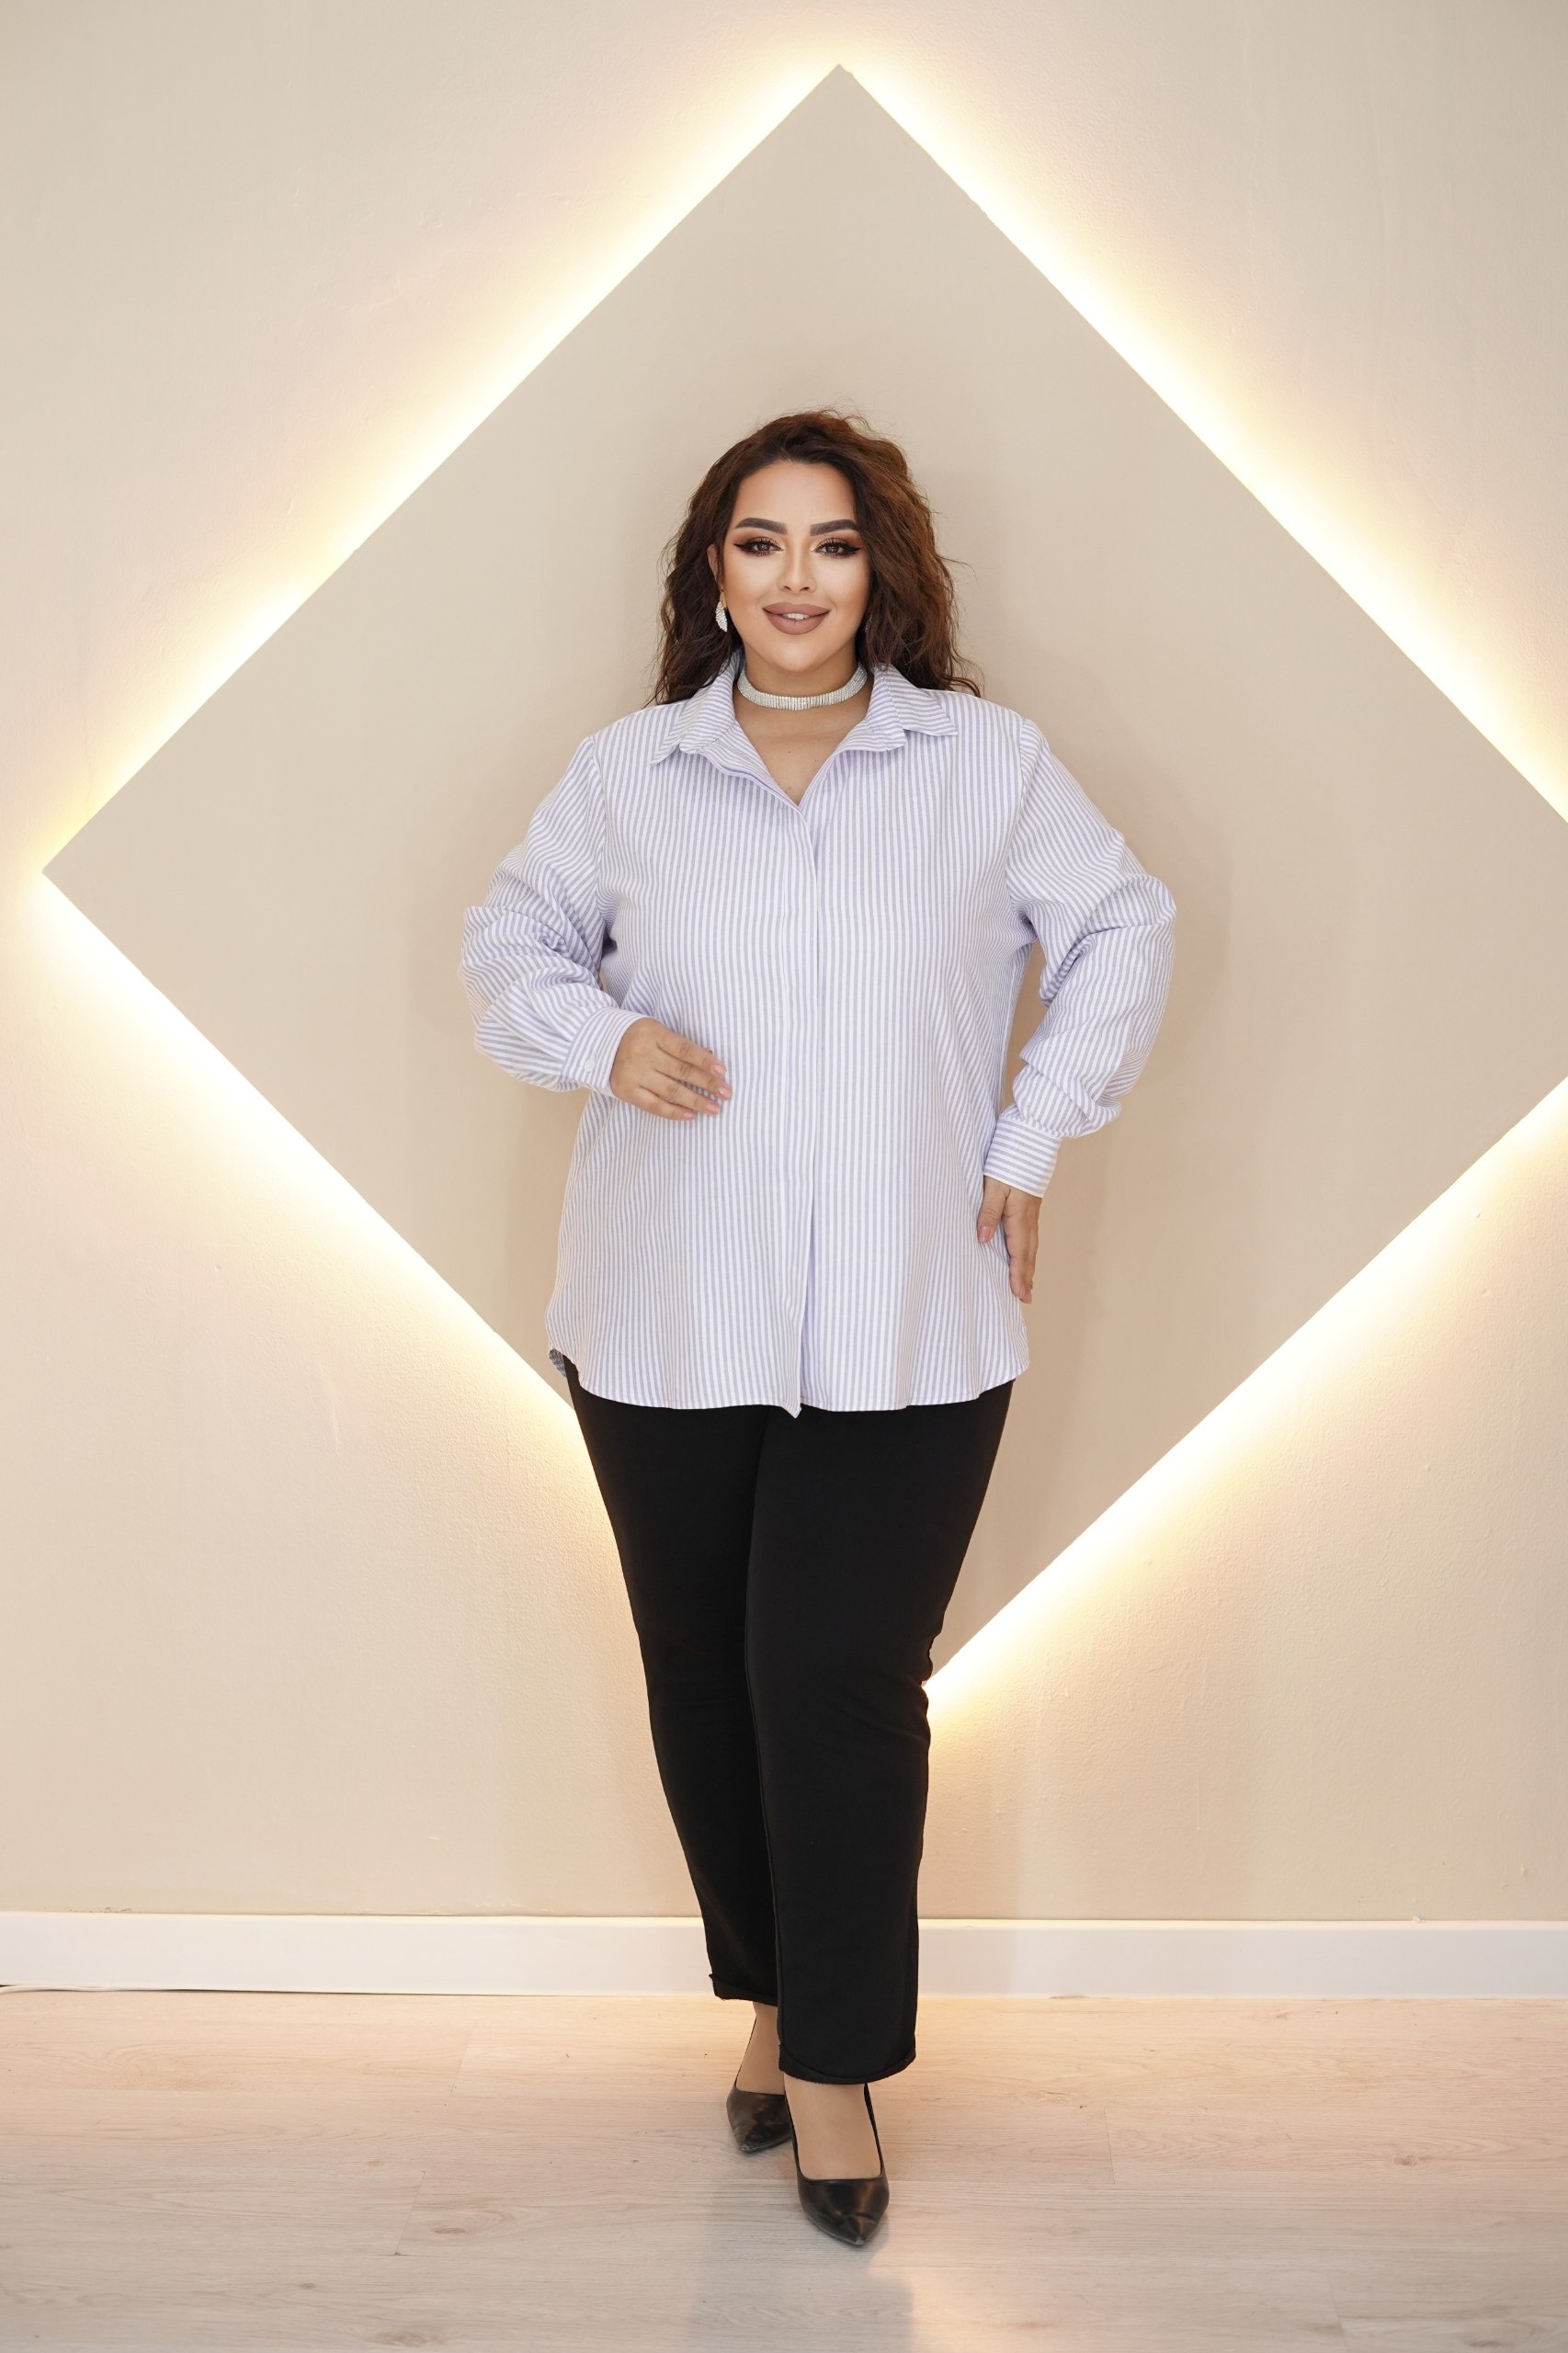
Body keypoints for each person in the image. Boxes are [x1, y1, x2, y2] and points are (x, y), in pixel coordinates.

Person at [460, 407, 1176, 2248]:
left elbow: (1124, 924)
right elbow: (504, 949)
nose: (796, 578)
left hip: (912, 1312)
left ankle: (838, 2062)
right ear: (714, 570)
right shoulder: (625, 774)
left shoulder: (985, 765)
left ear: (883, 571)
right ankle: (774, 2000)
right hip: (661, 1310)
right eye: (761, 542)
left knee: (838, 1680)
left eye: (833, 543)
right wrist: (602, 1036)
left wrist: (1027, 1133)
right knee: (705, 1675)